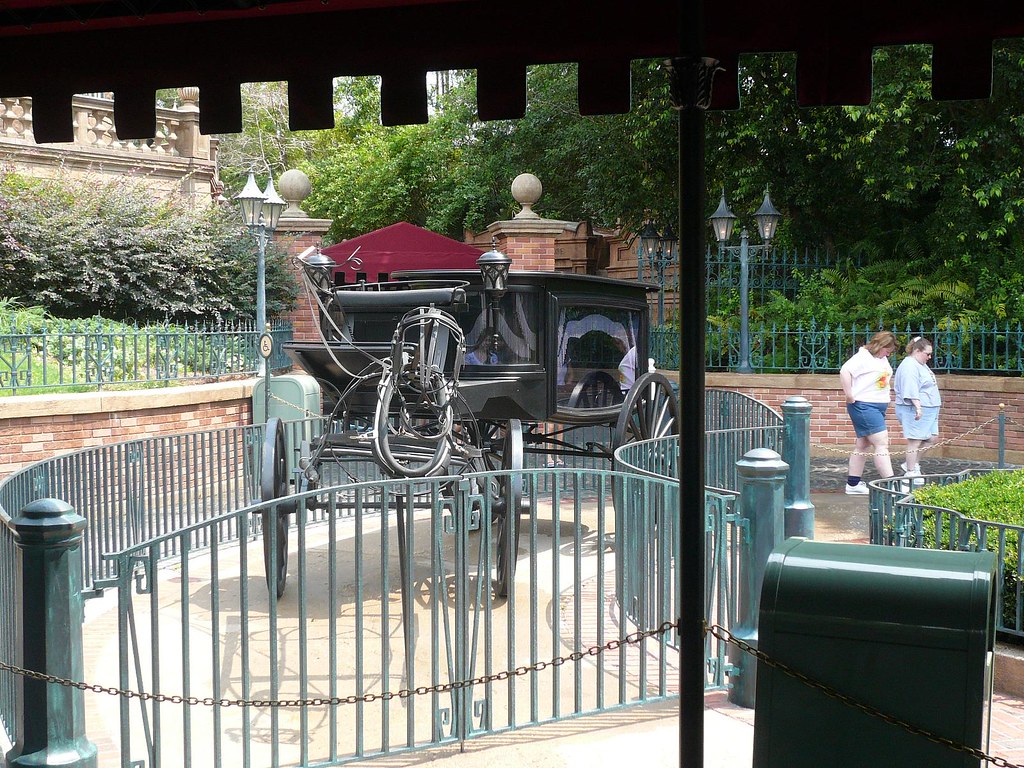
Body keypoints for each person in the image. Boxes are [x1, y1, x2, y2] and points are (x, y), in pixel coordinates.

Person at [839, 330, 898, 494]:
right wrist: (849, 394)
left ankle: (853, 484)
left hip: (877, 405)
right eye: (888, 350)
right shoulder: (863, 357)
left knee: (863, 444)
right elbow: (845, 371)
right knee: (881, 443)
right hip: (864, 405)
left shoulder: (881, 358)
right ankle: (891, 484)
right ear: (881, 345)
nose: (889, 354)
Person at [893, 336, 940, 477]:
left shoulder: (920, 364)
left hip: (930, 407)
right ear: (917, 351)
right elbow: (910, 388)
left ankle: (912, 464)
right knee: (915, 440)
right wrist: (918, 408)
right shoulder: (909, 365)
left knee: (931, 438)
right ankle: (910, 472)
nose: (930, 357)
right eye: (927, 354)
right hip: (915, 409)